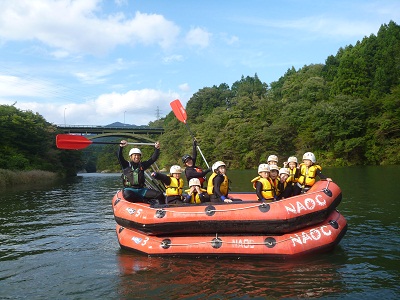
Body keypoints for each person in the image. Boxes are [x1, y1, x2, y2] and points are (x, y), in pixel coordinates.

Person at [118, 140, 165, 204]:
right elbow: (120, 157)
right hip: (130, 190)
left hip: (141, 190)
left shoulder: (142, 165)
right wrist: (121, 147)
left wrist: (157, 149)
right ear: (130, 156)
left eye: (138, 155)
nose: (137, 157)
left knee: (159, 195)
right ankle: (144, 200)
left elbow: (152, 159)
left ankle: (162, 208)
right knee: (128, 196)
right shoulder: (126, 165)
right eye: (134, 155)